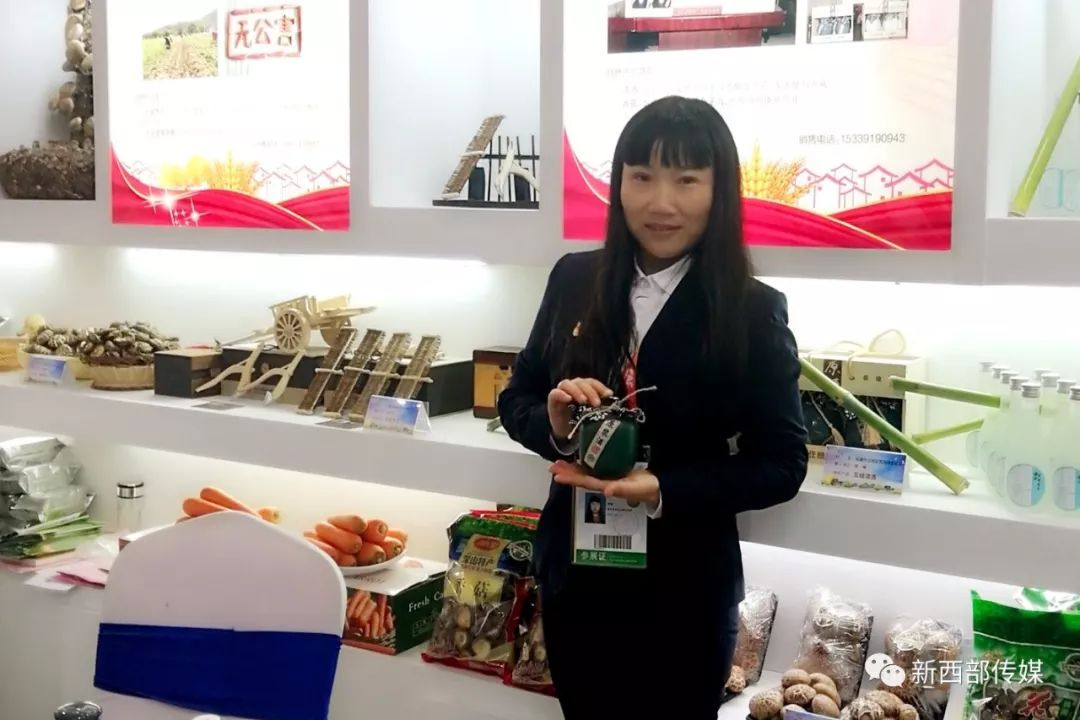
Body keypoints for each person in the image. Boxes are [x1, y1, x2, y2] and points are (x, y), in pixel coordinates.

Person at [497, 96, 808, 719]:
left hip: (685, 585)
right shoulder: (574, 279)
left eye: (686, 180)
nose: (661, 203)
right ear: (619, 185)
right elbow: (517, 398)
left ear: (719, 192)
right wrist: (555, 429)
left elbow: (781, 463)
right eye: (641, 177)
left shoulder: (750, 309)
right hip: (577, 576)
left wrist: (664, 488)